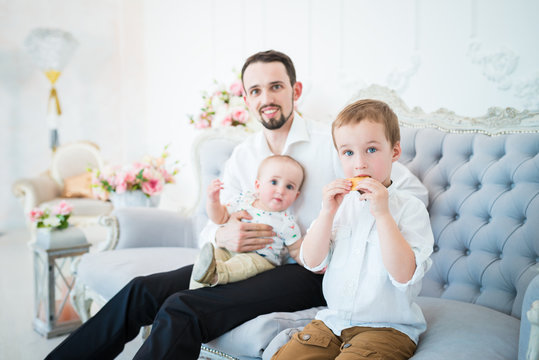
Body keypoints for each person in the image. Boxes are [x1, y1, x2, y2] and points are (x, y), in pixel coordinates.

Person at [46, 50, 428, 360]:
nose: (267, 98)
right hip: (250, 260)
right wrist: (223, 231)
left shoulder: (334, 143)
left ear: (295, 90)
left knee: (183, 308)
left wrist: (362, 217)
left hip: (307, 269)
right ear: (246, 98)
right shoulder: (245, 155)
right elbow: (212, 224)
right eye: (256, 90)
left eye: (276, 86)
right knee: (141, 290)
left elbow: (401, 188)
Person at [272, 99, 434, 360]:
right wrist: (326, 213)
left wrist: (383, 214)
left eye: (371, 150)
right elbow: (311, 261)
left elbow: (404, 275)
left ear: (394, 151)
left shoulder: (410, 209)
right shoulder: (339, 206)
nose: (359, 163)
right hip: (332, 323)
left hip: (387, 329)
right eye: (348, 153)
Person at [191, 155, 304, 287]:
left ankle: (217, 274)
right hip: (228, 250)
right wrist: (213, 201)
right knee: (211, 257)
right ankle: (195, 288)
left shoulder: (287, 223)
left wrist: (312, 265)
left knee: (246, 262)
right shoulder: (243, 200)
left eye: (289, 187)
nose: (280, 190)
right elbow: (219, 218)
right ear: (258, 185)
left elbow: (296, 250)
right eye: (274, 182)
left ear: (296, 195)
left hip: (262, 259)